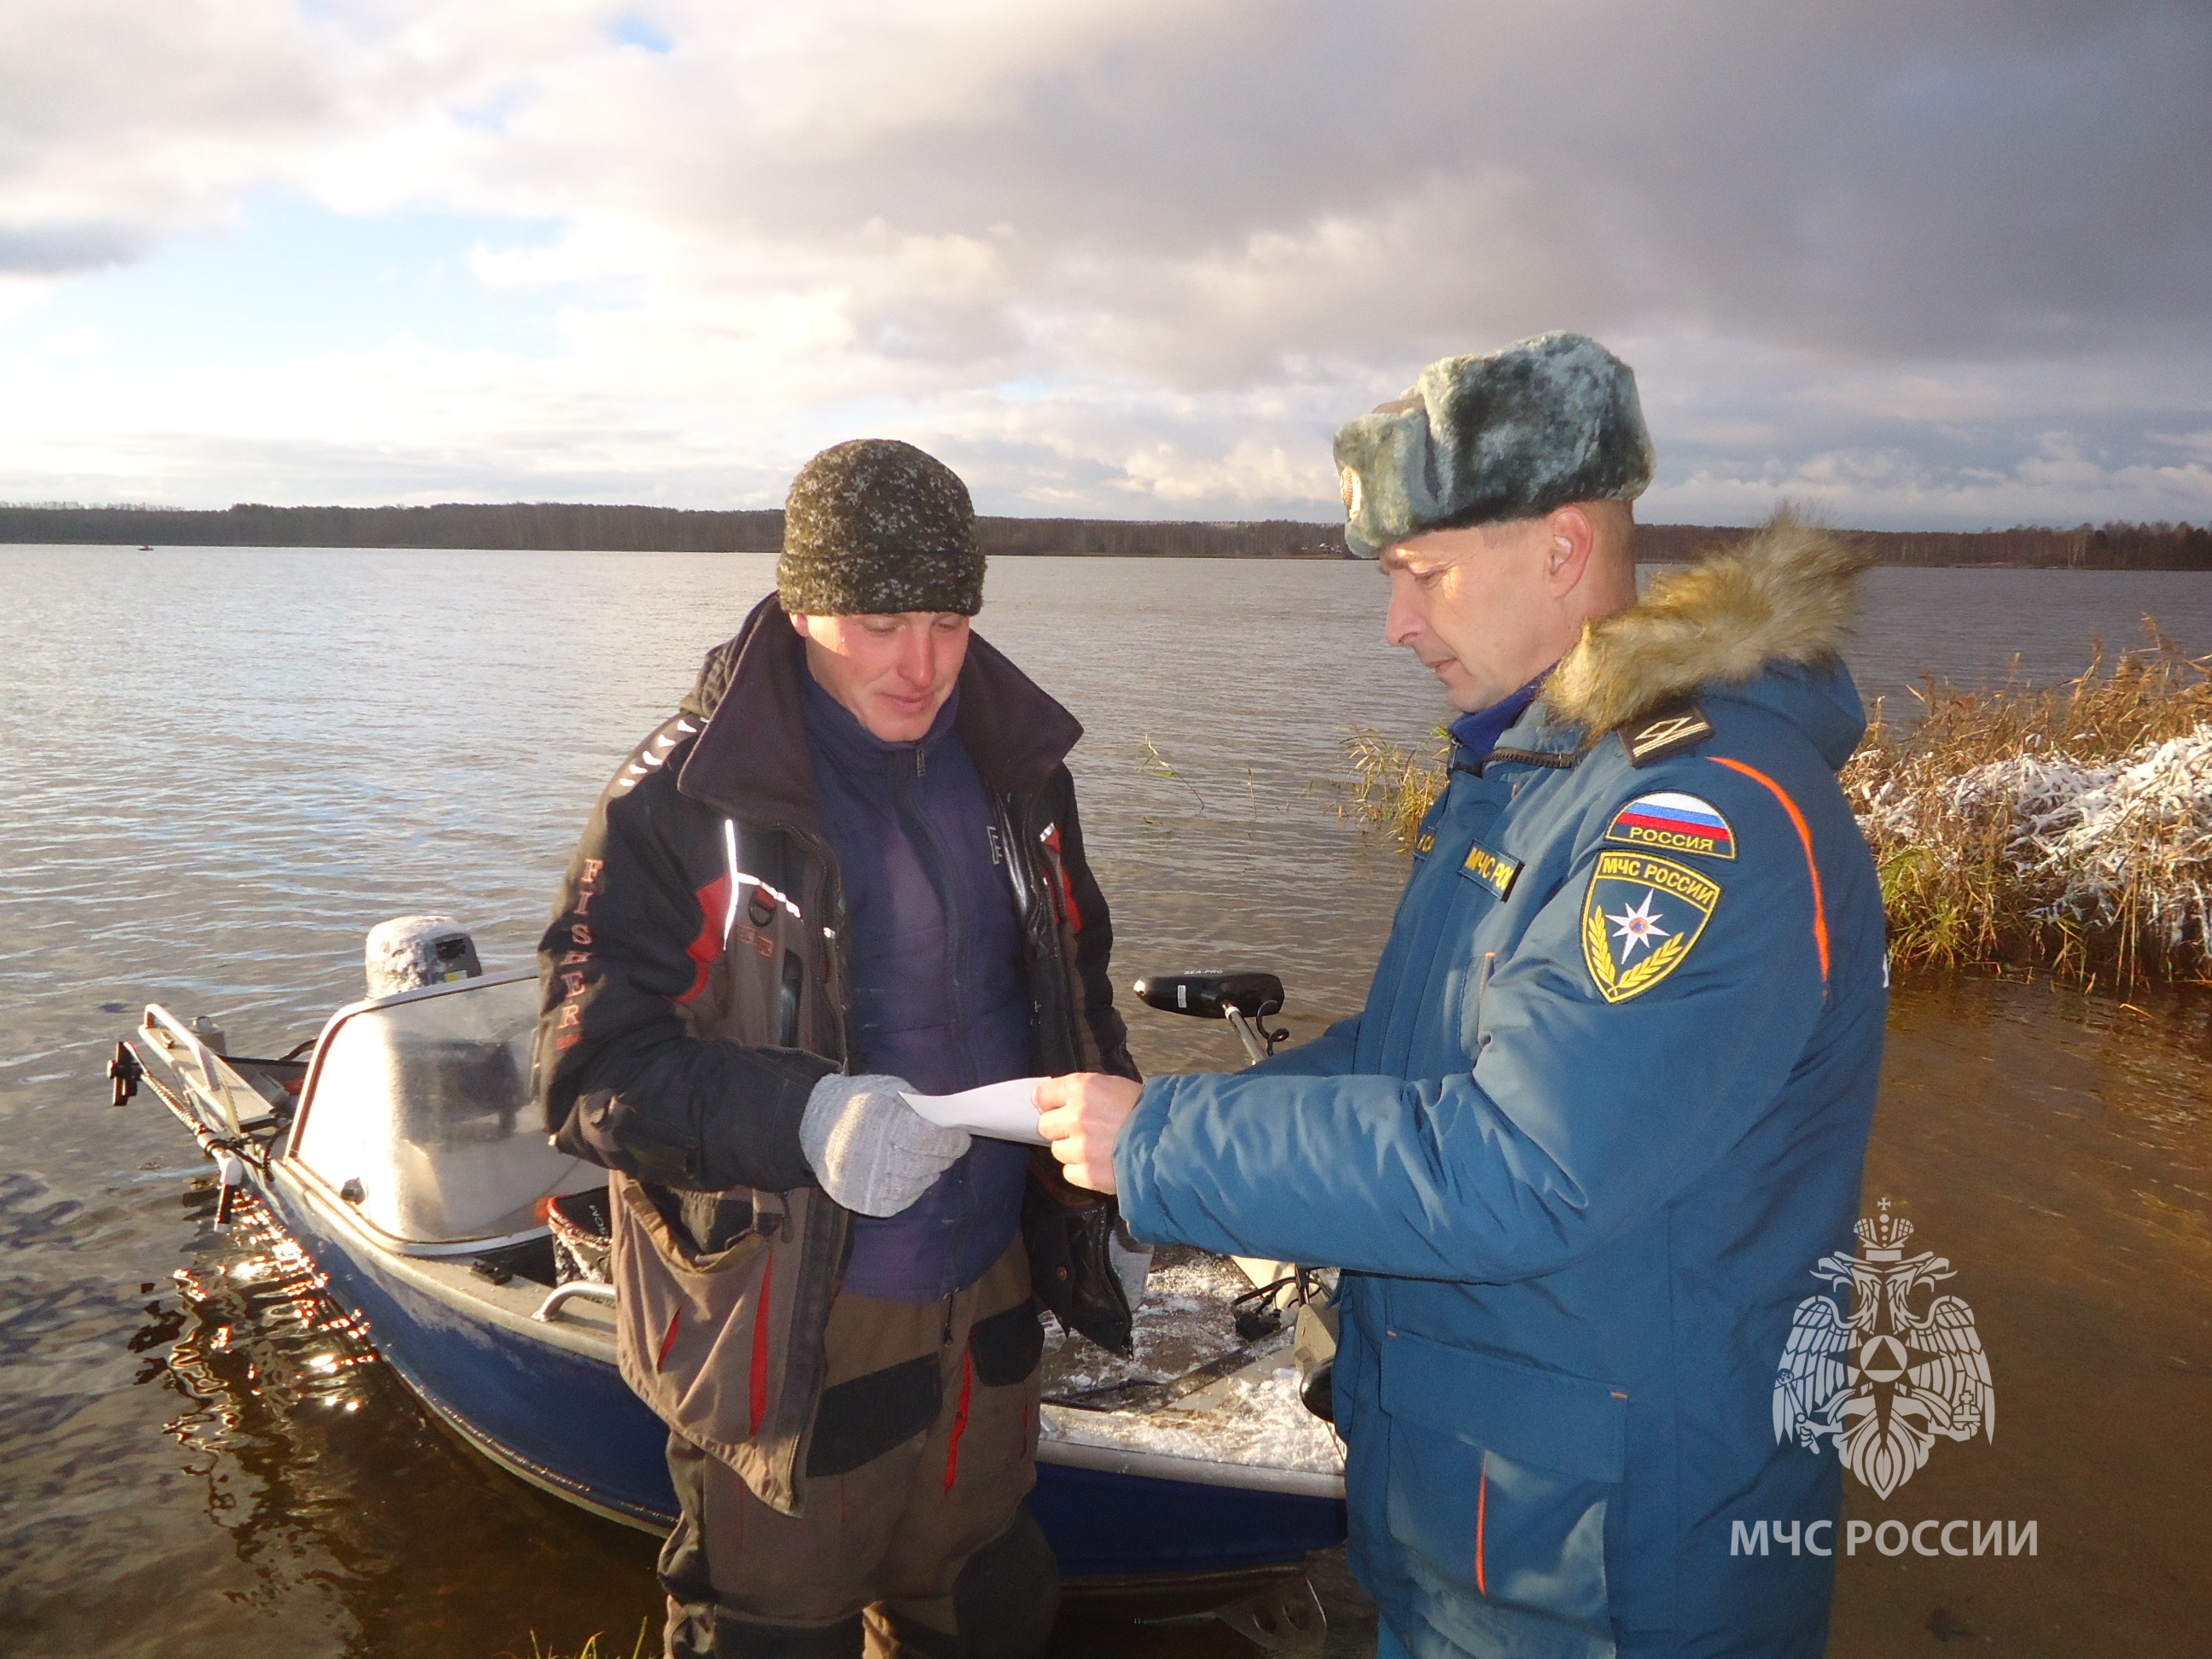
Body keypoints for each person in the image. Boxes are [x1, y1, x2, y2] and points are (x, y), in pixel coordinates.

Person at [1037, 333, 1887, 1659]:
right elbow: (1412, 1058)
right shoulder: (1536, 774)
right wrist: (1189, 1128)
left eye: (1421, 574)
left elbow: (1524, 1165)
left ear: (1560, 549)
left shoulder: (1703, 813)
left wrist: (1162, 1147)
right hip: (1489, 1525)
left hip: (1613, 1576)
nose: (1396, 623)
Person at [533, 438, 1139, 1659]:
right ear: (801, 602)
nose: (921, 664)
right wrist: (801, 1119)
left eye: (949, 619)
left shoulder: (1021, 771)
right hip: (793, 1321)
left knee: (986, 1607)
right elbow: (590, 1075)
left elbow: (1074, 988)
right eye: (876, 621)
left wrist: (1099, 1194)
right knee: (769, 1632)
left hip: (992, 1308)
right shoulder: (679, 802)